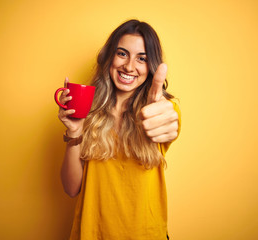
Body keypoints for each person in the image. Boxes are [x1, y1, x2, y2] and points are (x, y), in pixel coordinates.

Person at [58, 19, 181, 240]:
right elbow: (71, 188)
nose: (129, 66)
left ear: (151, 65)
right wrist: (75, 131)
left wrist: (167, 119)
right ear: (109, 58)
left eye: (141, 58)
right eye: (122, 54)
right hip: (92, 234)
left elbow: (170, 121)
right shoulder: (88, 110)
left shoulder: (159, 110)